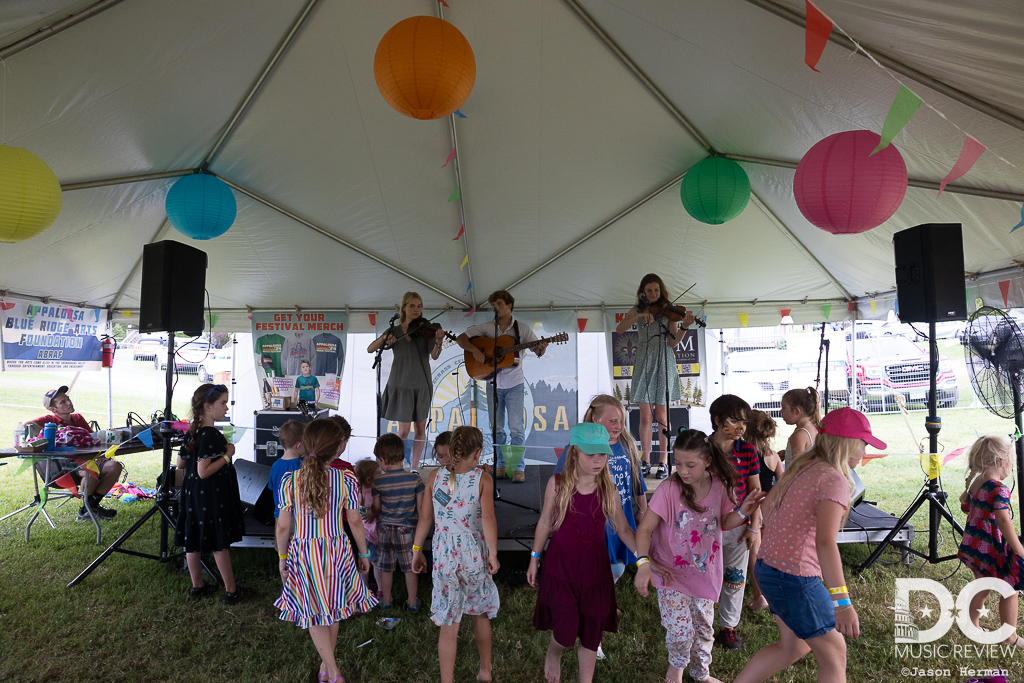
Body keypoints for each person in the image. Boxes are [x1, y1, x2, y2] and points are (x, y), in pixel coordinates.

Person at [734, 407, 880, 683]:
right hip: (795, 578)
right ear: (849, 444)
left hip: (768, 569)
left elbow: (766, 509)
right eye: (864, 444)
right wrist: (842, 603)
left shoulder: (802, 465)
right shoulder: (834, 480)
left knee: (792, 647)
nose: (864, 451)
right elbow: (825, 543)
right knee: (835, 654)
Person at [634, 429, 766, 683]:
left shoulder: (720, 487)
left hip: (706, 575)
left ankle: (701, 672)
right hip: (671, 575)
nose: (682, 470)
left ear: (707, 462)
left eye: (690, 465)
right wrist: (643, 563)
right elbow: (645, 529)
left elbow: (725, 522)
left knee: (704, 630)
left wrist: (743, 511)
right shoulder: (668, 489)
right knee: (680, 632)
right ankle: (677, 668)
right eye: (678, 463)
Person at [527, 423, 653, 683]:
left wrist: (643, 559)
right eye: (590, 454)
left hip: (596, 571)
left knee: (592, 632)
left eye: (602, 454)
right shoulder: (557, 484)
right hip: (562, 568)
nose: (598, 460)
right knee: (564, 631)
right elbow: (544, 522)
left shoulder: (609, 489)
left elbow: (624, 530)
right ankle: (554, 653)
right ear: (574, 453)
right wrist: (534, 558)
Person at [274, 419, 376, 683]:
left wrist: (282, 558)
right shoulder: (346, 478)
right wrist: (363, 554)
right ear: (339, 447)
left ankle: (331, 671)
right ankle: (329, 668)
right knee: (332, 606)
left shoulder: (291, 479)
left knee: (315, 610)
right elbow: (354, 521)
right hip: (337, 551)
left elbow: (284, 527)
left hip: (305, 553)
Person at [412, 426, 500, 683]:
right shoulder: (482, 479)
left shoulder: (434, 478)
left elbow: (425, 518)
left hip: (443, 556)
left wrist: (417, 550)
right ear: (479, 453)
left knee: (449, 623)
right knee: (479, 613)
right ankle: (485, 670)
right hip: (473, 555)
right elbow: (489, 519)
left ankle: (446, 680)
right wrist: (493, 554)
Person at [554, 394, 647, 583]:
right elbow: (559, 486)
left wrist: (643, 509)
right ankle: (594, 602)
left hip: (621, 517)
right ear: (595, 420)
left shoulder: (627, 446)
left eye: (621, 421)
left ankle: (603, 599)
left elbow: (637, 482)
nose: (619, 426)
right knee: (594, 564)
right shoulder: (575, 450)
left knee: (617, 565)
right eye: (613, 421)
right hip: (593, 520)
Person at [457, 289, 548, 483]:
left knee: (516, 428)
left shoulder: (522, 329)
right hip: (493, 384)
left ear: (509, 306)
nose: (496, 308)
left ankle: (518, 467)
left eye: (499, 304)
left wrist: (541, 348)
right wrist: (475, 351)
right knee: (496, 428)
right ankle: (500, 465)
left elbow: (536, 350)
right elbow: (461, 339)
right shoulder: (488, 328)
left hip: (515, 384)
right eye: (494, 305)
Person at [174, 384, 251, 604]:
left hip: (191, 495)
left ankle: (197, 586)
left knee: (194, 538)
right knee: (219, 541)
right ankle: (231, 591)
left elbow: (180, 463)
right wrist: (227, 455)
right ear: (208, 406)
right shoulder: (211, 435)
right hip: (209, 495)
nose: (226, 408)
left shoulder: (193, 432)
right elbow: (203, 471)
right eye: (223, 403)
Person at [615, 274, 695, 479]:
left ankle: (663, 462)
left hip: (663, 360)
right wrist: (641, 316)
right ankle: (645, 460)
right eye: (649, 290)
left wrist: (684, 327)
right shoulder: (637, 310)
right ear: (643, 291)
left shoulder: (668, 311)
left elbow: (672, 342)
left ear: (661, 291)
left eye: (656, 290)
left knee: (662, 416)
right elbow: (620, 328)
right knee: (644, 415)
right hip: (643, 360)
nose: (653, 294)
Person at [957, 435, 1024, 648]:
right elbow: (1003, 520)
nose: (1011, 467)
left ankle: (973, 627)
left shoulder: (977, 483)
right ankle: (1010, 637)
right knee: (1011, 589)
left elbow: (966, 508)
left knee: (982, 586)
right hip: (992, 549)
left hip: (974, 546)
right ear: (1002, 461)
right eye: (1011, 462)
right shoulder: (998, 488)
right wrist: (1019, 549)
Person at [367, 292, 445, 472]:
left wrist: (438, 341)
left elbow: (434, 355)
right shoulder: (394, 330)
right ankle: (394, 466)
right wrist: (385, 339)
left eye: (419, 306)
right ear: (403, 307)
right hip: (401, 383)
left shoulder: (427, 329)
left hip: (421, 384)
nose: (416, 309)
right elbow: (371, 349)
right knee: (402, 432)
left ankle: (415, 468)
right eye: (412, 306)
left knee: (419, 429)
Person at [708, 394, 759, 651]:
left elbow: (755, 492)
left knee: (734, 577)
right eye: (734, 420)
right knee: (703, 576)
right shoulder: (700, 448)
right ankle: (701, 622)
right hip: (704, 529)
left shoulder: (748, 451)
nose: (740, 427)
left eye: (744, 422)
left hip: (739, 529)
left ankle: (728, 627)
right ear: (717, 420)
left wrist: (753, 527)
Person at [28, 385, 122, 520]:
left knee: (115, 466)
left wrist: (100, 456)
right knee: (91, 471)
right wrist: (49, 434)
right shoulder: (49, 421)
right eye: (63, 402)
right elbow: (26, 425)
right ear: (53, 409)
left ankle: (88, 508)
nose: (69, 403)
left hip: (87, 462)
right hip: (63, 469)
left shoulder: (77, 418)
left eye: (68, 399)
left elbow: (93, 439)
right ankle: (90, 509)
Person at [368, 433, 425, 611]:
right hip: (407, 530)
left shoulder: (378, 481)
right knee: (409, 567)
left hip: (385, 529)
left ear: (383, 460)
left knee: (386, 567)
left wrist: (371, 514)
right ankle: (412, 602)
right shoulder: (415, 479)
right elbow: (421, 509)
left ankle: (386, 600)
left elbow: (376, 508)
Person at [744, 409, 782, 612]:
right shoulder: (773, 456)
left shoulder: (744, 455)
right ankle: (771, 592)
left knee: (755, 553)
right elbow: (782, 482)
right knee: (767, 553)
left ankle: (759, 596)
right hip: (770, 507)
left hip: (753, 507)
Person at [354, 458, 384, 602]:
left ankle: (364, 589)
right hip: (375, 534)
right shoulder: (374, 493)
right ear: (369, 478)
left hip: (362, 535)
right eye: (379, 474)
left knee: (363, 562)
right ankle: (380, 590)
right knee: (377, 564)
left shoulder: (357, 493)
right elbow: (378, 510)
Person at [268, 420, 305, 519]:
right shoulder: (302, 465)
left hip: (279, 515)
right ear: (299, 445)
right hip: (299, 516)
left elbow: (272, 487)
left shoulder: (275, 466)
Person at [780, 387, 820, 466]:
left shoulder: (799, 435)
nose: (780, 411)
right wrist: (787, 453)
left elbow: (797, 468)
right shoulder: (812, 427)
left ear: (797, 411)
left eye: (784, 408)